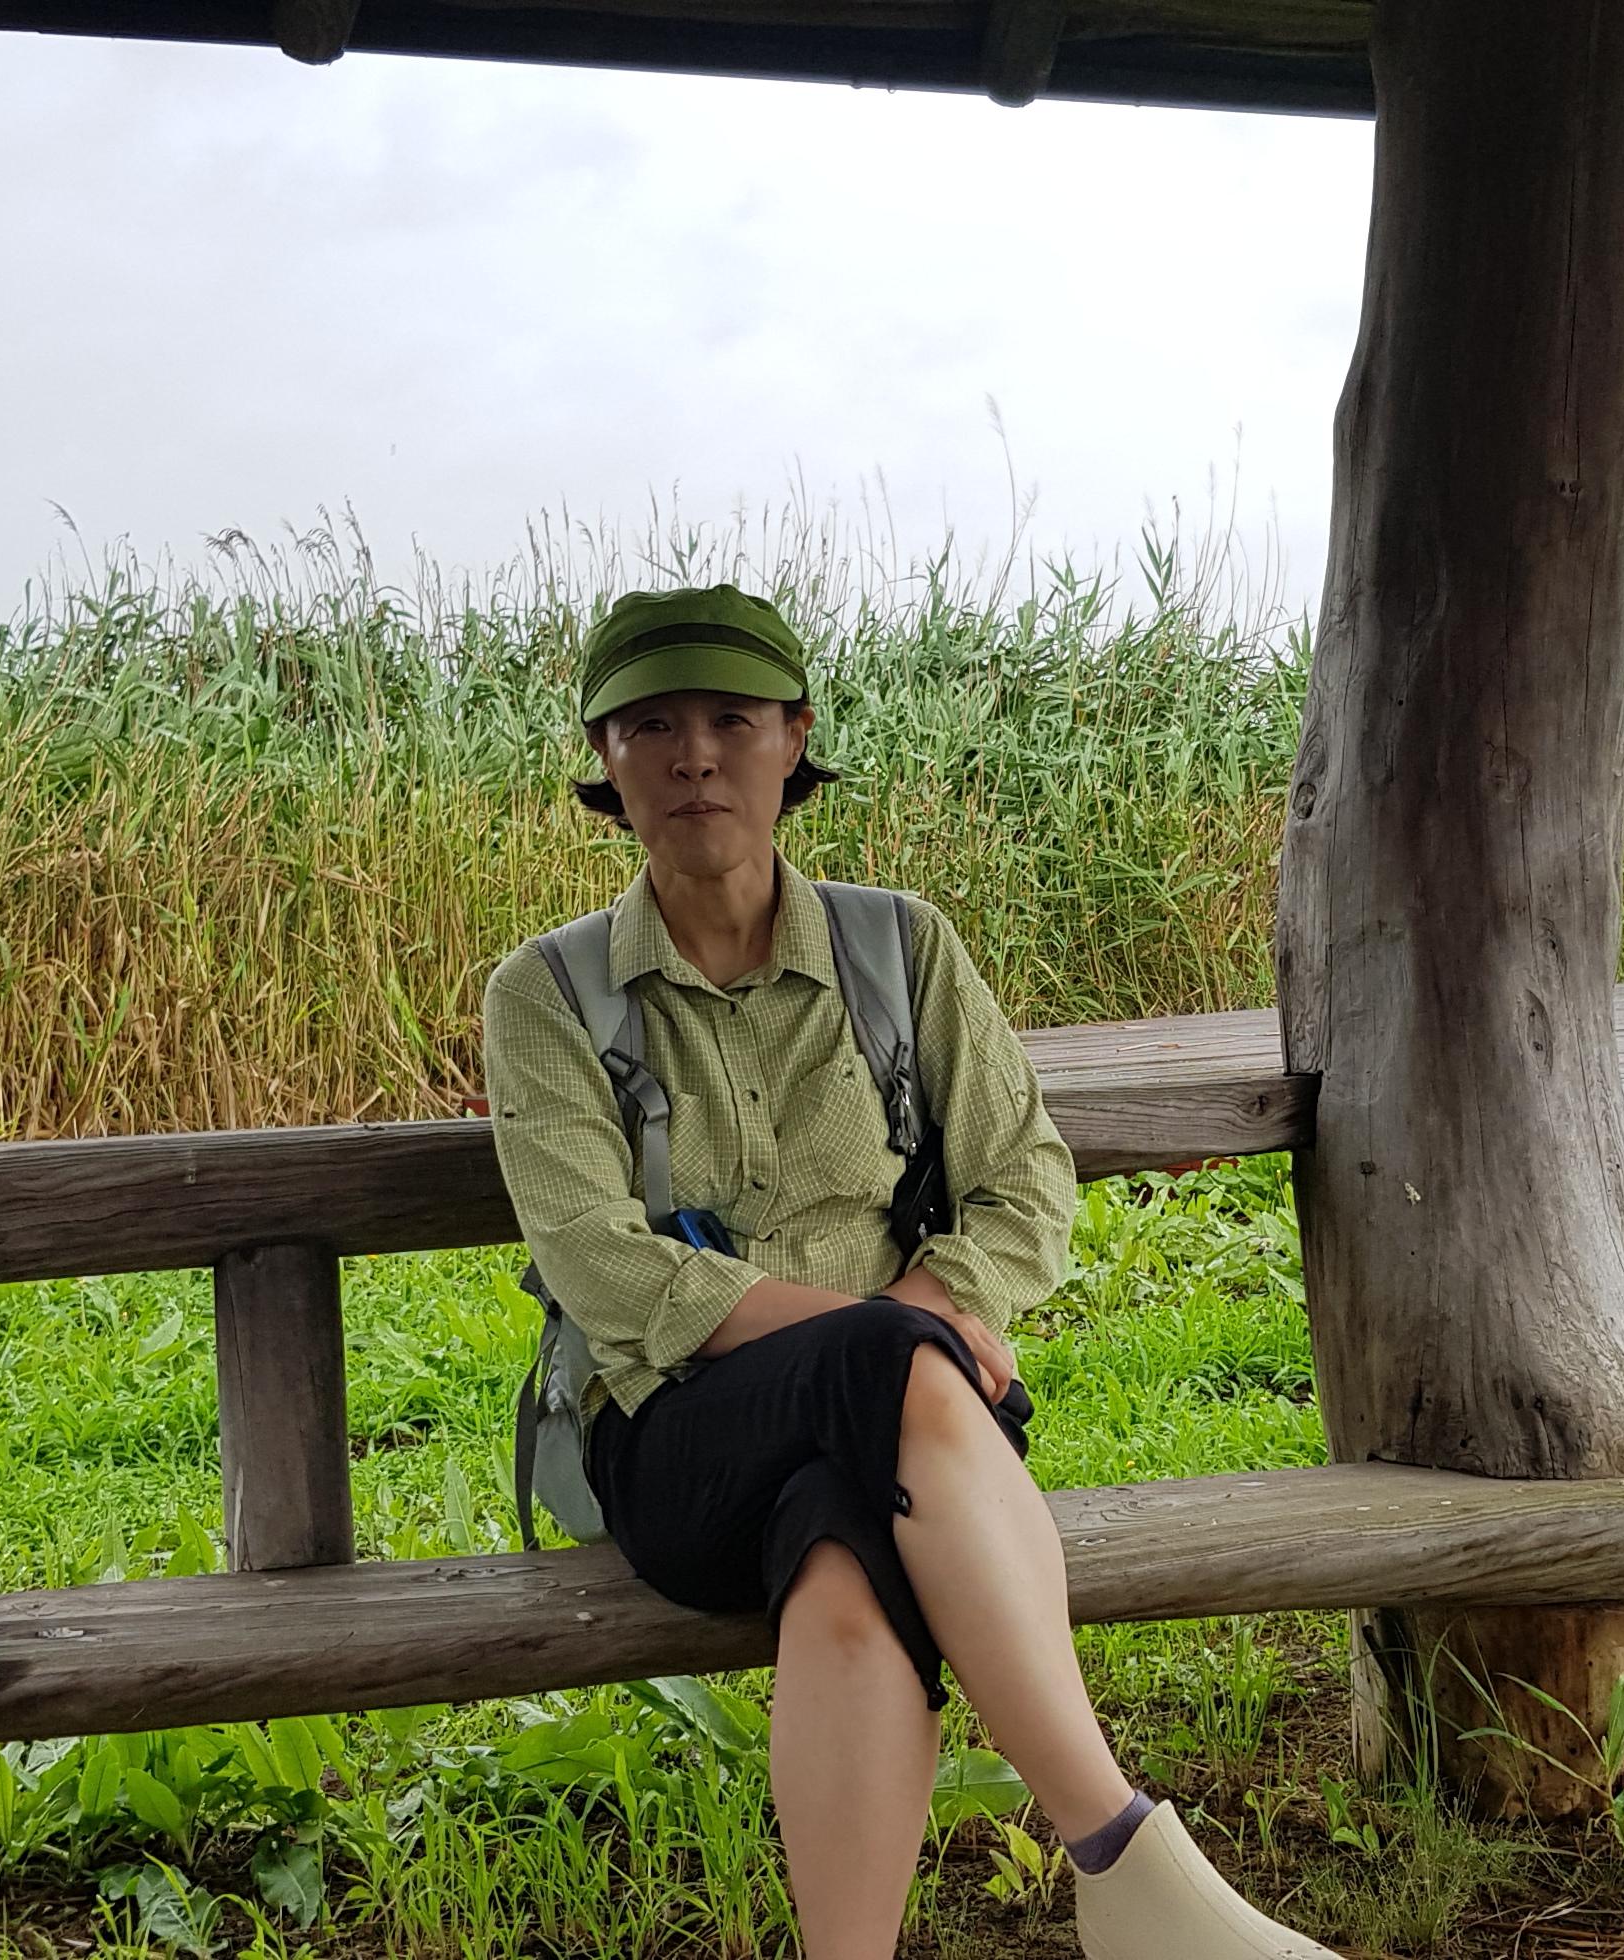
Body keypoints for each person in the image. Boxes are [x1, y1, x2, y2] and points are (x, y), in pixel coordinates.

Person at [481, 585, 1341, 1960]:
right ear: (605, 758)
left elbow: (1024, 1181)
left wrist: (909, 1331)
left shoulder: (899, 948)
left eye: (730, 721)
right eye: (652, 727)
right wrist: (888, 1339)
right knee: (888, 1365)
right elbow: (605, 1267)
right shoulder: (549, 993)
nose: (694, 757)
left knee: (842, 1557)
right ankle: (1121, 1855)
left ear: (794, 740)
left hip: (911, 1438)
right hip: (678, 1442)